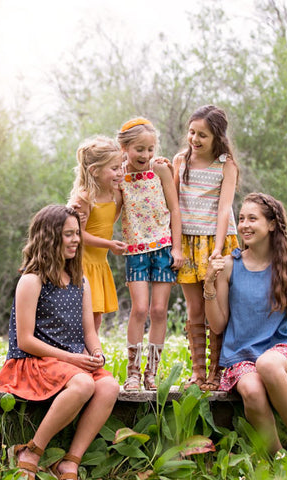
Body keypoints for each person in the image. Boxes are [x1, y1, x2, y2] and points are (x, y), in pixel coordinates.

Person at [0, 205, 120, 480]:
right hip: (33, 361)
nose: (76, 240)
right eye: (68, 234)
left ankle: (71, 460)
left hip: (69, 364)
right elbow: (25, 340)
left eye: (77, 234)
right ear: (49, 237)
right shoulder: (31, 280)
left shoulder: (79, 280)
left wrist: (96, 352)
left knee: (109, 386)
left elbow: (89, 331)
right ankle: (32, 451)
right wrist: (72, 359)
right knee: (84, 383)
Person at [204, 193, 287, 454]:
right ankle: (279, 460)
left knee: (267, 363)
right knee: (252, 391)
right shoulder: (231, 266)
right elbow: (218, 325)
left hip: (282, 349)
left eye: (252, 219)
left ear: (272, 224)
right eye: (241, 219)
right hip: (240, 356)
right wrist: (209, 284)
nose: (244, 225)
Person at [173, 105, 239, 390]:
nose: (195, 139)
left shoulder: (226, 165)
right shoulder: (180, 161)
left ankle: (216, 370)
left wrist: (219, 247)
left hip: (216, 240)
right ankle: (198, 372)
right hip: (187, 241)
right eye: (192, 132)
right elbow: (171, 202)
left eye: (203, 135)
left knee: (216, 305)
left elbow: (225, 208)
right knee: (195, 307)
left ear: (217, 138)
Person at [116, 117, 184, 391]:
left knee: (158, 310)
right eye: (139, 149)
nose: (145, 155)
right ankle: (132, 372)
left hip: (164, 247)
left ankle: (151, 372)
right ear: (125, 148)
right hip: (136, 251)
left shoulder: (161, 171)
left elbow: (175, 209)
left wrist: (177, 247)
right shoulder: (119, 176)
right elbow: (115, 210)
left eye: (150, 149)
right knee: (140, 309)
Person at [68, 136, 127, 333]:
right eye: (114, 168)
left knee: (96, 317)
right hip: (83, 263)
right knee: (83, 316)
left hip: (99, 263)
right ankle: (81, 354)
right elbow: (79, 236)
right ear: (94, 171)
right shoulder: (85, 197)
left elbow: (109, 219)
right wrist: (109, 244)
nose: (120, 173)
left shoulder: (114, 193)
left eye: (120, 167)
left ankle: (89, 354)